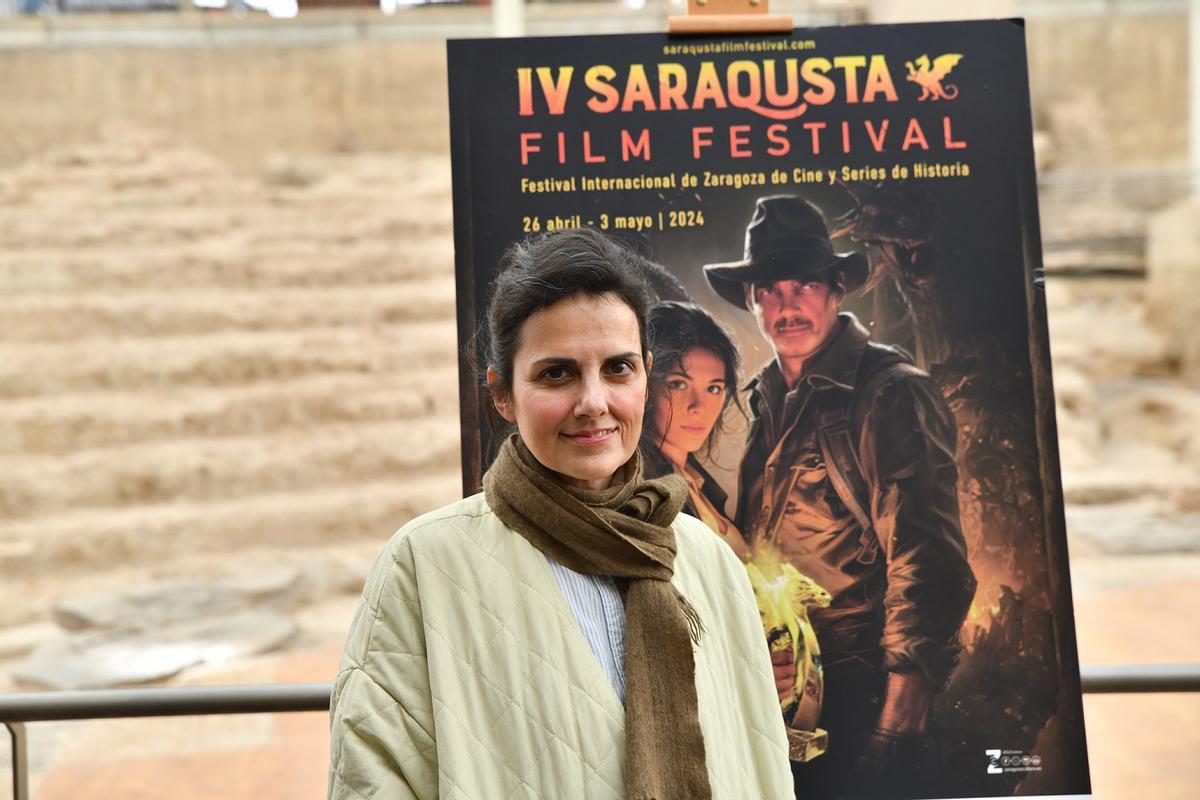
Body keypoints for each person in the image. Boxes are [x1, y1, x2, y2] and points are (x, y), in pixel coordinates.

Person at [328, 227, 792, 800]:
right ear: (502, 393)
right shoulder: (426, 565)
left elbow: (761, 765)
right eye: (557, 373)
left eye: (618, 368)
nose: (593, 402)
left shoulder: (706, 560)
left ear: (646, 376)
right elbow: (372, 777)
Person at [703, 195, 977, 798]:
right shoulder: (760, 398)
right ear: (751, 299)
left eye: (804, 285)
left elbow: (927, 559)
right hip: (786, 695)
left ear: (836, 290)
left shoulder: (890, 393)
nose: (787, 305)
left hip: (865, 699)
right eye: (771, 289)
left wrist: (895, 728)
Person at [641, 301, 748, 560]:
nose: (698, 407)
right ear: (646, 386)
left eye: (713, 388)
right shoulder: (645, 492)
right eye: (678, 384)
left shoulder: (697, 482)